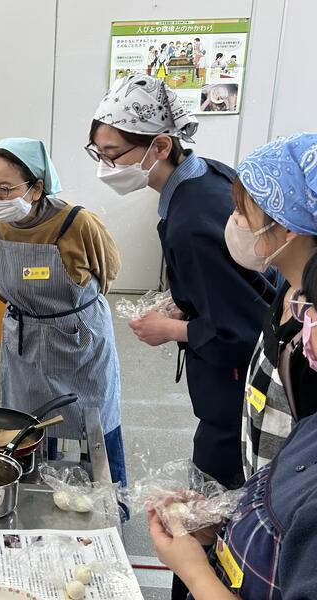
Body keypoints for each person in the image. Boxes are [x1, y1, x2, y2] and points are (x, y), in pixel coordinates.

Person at [89, 74, 278, 599]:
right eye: (97, 153)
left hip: (236, 395)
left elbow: (240, 329)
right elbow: (234, 286)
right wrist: (184, 299)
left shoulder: (192, 218)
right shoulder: (207, 176)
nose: (105, 167)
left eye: (113, 154)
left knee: (217, 518)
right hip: (235, 386)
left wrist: (170, 327)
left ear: (161, 145)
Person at [149, 250, 317, 599]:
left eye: (313, 315)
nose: (305, 326)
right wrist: (225, 523)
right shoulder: (309, 429)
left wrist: (195, 573)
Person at [0, 138, 126, 486]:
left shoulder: (78, 223)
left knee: (95, 425)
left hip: (80, 341)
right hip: (24, 342)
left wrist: (68, 314)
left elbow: (108, 271)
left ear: (37, 187)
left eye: (6, 189)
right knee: (29, 426)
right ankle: (36, 496)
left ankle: (112, 500)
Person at [226, 134, 317, 478]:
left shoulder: (312, 337)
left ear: (288, 226)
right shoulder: (289, 290)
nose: (234, 221)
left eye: (241, 211)